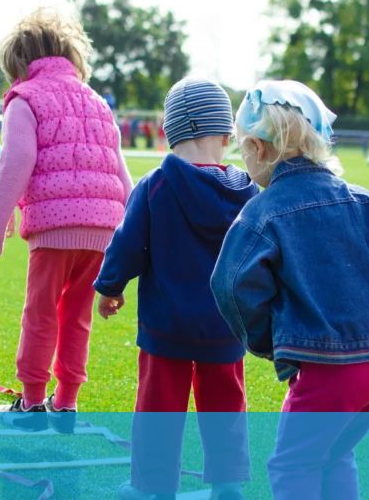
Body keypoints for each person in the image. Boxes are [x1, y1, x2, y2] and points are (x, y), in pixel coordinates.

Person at [211, 80, 369, 498]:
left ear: (259, 149)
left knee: (292, 464)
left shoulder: (262, 212)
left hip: (333, 368)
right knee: (334, 454)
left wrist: (271, 342)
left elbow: (231, 285)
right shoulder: (365, 200)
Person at [95, 78, 257, 500]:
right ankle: (227, 482)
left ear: (168, 131)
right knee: (225, 405)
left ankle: (152, 484)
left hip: (166, 326)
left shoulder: (155, 185)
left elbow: (127, 243)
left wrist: (110, 286)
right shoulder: (248, 192)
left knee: (158, 409)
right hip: (226, 325)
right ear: (226, 134)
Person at [0, 8, 133, 432]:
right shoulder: (97, 101)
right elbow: (121, 172)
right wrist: (134, 236)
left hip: (54, 226)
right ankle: (65, 402)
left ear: (18, 63)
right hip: (104, 229)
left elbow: (17, 160)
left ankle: (30, 403)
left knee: (40, 312)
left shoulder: (24, 99)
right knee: (76, 315)